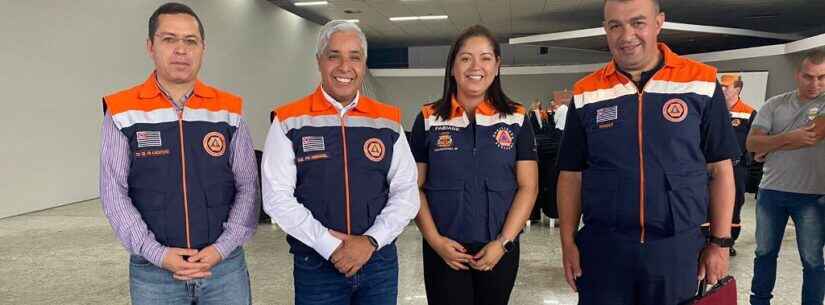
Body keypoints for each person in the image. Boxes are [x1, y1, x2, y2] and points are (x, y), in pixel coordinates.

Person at [555, 0, 740, 304]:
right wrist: (567, 244)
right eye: (615, 25)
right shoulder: (588, 92)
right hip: (604, 248)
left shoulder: (701, 83)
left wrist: (720, 243)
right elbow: (571, 175)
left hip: (676, 248)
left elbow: (720, 169)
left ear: (659, 22)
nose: (626, 35)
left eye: (638, 22)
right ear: (605, 30)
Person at [99, 3, 258, 304]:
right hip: (154, 273)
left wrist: (221, 249)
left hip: (224, 270)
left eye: (190, 41)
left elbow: (248, 185)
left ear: (203, 48)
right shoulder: (123, 111)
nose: (181, 50)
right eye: (169, 39)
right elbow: (113, 192)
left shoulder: (228, 110)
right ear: (150, 46)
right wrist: (157, 253)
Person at [261, 20, 420, 305]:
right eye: (334, 55)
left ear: (364, 63)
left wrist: (369, 241)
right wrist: (329, 245)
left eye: (354, 57)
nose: (344, 67)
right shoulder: (288, 121)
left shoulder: (387, 121)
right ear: (319, 61)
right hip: (316, 265)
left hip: (378, 263)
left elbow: (406, 192)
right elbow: (276, 198)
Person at [409, 24, 539, 305]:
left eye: (485, 58)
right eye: (466, 58)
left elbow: (528, 187)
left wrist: (503, 243)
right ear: (453, 67)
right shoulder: (429, 119)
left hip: (498, 250)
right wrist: (435, 242)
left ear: (497, 66)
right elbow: (414, 187)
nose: (475, 66)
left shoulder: (516, 119)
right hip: (445, 252)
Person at [746, 48, 825, 305]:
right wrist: (787, 138)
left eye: (822, 78)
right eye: (808, 76)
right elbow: (751, 143)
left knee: (812, 260)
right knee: (764, 253)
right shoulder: (774, 103)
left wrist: (769, 144)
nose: (815, 83)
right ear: (797, 75)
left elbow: (812, 136)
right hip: (772, 191)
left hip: (813, 195)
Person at [713, 74, 757, 257]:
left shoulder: (748, 113)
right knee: (709, 202)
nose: (722, 90)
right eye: (720, 87)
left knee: (734, 203)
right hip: (712, 166)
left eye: (726, 87)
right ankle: (708, 239)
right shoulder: (711, 109)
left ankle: (729, 241)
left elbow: (754, 143)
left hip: (737, 168)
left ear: (737, 89)